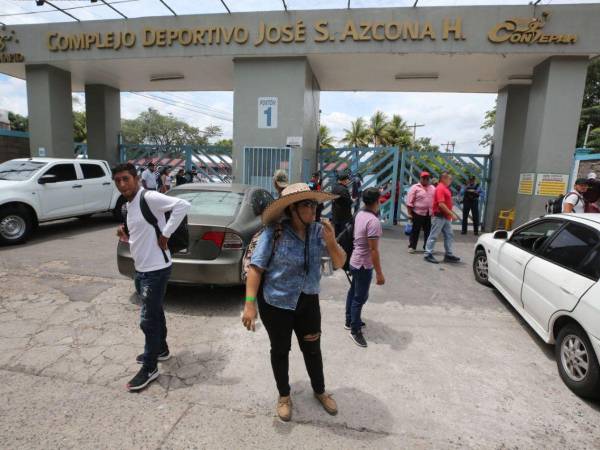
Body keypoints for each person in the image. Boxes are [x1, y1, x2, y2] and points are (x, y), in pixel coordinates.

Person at [241, 183, 346, 422]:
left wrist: (331, 242)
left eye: (315, 204)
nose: (314, 209)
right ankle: (284, 396)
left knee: (312, 349)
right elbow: (256, 268)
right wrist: (249, 304)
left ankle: (319, 390)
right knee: (280, 350)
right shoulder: (273, 232)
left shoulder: (319, 231)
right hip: (276, 302)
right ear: (292, 209)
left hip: (308, 300)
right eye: (308, 204)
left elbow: (339, 263)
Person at [113, 163, 191, 392]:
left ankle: (150, 366)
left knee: (147, 319)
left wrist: (166, 234)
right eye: (117, 180)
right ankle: (161, 349)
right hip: (142, 268)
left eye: (126, 179)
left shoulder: (149, 197)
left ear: (136, 178)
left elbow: (183, 205)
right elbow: (140, 233)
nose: (122, 184)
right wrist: (124, 234)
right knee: (155, 312)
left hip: (157, 269)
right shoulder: (128, 205)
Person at [345, 188, 385, 348]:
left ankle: (349, 320)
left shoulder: (360, 214)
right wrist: (380, 274)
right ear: (377, 201)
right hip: (363, 264)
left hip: (354, 260)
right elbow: (374, 250)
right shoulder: (373, 221)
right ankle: (354, 330)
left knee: (353, 291)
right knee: (360, 297)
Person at [424, 172, 460, 264]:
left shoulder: (445, 188)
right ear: (444, 178)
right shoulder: (440, 188)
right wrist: (452, 214)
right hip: (439, 216)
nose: (450, 181)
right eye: (449, 179)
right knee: (434, 235)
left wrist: (450, 214)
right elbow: (441, 204)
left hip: (445, 217)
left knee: (449, 235)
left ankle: (448, 254)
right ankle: (428, 254)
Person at [406, 171, 435, 253]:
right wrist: (409, 213)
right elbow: (409, 201)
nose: (425, 180)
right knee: (415, 230)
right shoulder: (415, 187)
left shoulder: (432, 188)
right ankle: (412, 246)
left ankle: (426, 247)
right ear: (420, 178)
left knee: (428, 231)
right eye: (424, 178)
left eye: (427, 178)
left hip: (428, 213)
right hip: (417, 213)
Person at [331, 170, 353, 236]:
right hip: (344, 217)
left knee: (337, 234)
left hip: (336, 215)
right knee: (343, 235)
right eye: (348, 179)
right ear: (344, 180)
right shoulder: (343, 189)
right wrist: (352, 200)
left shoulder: (334, 187)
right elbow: (348, 201)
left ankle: (336, 245)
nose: (348, 181)